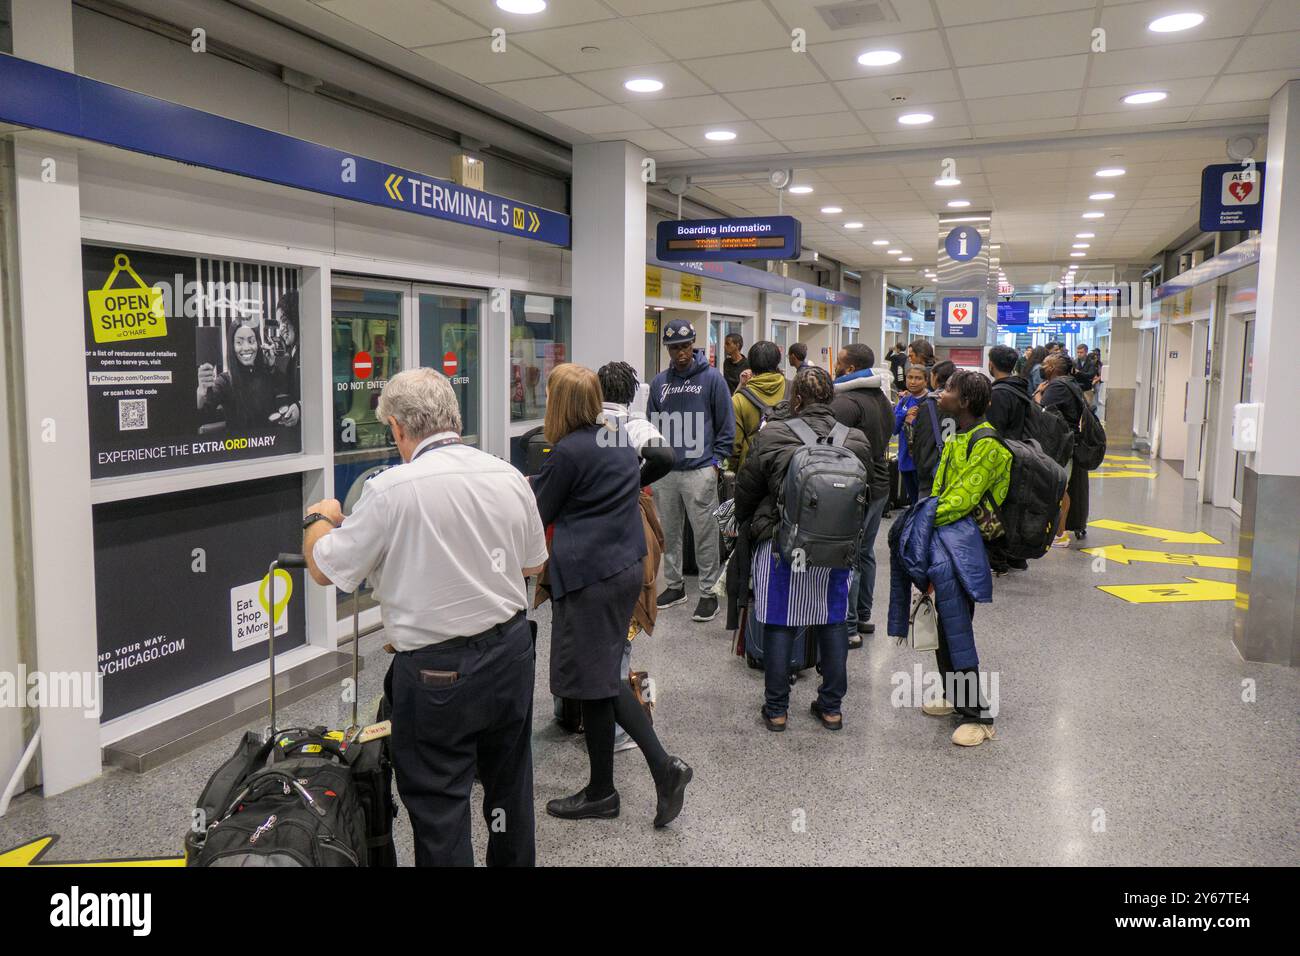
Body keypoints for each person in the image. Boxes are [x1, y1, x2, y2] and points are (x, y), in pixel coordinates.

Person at [304, 368, 546, 866]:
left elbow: (326, 569)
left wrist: (319, 518)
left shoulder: (390, 490)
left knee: (440, 808)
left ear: (397, 427)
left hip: (438, 678)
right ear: (453, 419)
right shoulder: (507, 475)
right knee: (510, 792)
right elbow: (532, 565)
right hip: (510, 656)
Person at [531, 363, 692, 827]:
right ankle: (603, 790)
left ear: (559, 402)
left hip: (590, 578)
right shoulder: (616, 439)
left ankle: (664, 767)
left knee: (600, 681)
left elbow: (539, 512)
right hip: (623, 569)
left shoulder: (566, 452)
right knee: (597, 683)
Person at [733, 365, 871, 733]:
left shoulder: (775, 432)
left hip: (785, 544)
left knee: (779, 620)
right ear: (831, 400)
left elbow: (746, 489)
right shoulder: (855, 439)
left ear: (796, 399)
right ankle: (831, 708)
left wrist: (747, 525)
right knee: (832, 622)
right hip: (835, 550)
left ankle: (777, 710)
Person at [888, 370, 1011, 748]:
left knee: (956, 627)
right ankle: (956, 695)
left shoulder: (989, 446)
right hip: (945, 541)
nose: (941, 394)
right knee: (944, 623)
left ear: (966, 402)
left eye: (949, 390)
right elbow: (940, 487)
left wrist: (919, 518)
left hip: (968, 546)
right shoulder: (958, 436)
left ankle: (979, 714)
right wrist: (927, 518)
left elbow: (962, 501)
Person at [594, 361, 672, 753]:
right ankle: (618, 732)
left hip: (583, 540)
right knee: (620, 635)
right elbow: (666, 457)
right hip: (624, 536)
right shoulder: (635, 424)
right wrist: (634, 483)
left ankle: (575, 713)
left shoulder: (585, 421)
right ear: (633, 392)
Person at [648, 318, 735, 623]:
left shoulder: (712, 379)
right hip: (668, 471)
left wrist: (717, 464)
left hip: (701, 469)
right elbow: (652, 425)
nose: (680, 353)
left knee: (705, 533)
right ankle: (674, 586)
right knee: (669, 532)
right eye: (674, 348)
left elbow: (726, 424)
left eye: (685, 346)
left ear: (693, 344)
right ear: (668, 349)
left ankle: (708, 592)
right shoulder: (660, 383)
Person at [830, 343, 892, 644]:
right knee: (865, 553)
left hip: (858, 486)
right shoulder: (882, 398)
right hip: (881, 482)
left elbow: (828, 444)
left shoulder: (846, 402)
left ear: (850, 368)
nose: (836, 367)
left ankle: (849, 627)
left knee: (849, 555)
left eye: (839, 362)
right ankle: (863, 615)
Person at [985, 345, 1031, 575]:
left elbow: (995, 430)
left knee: (996, 508)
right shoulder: (1020, 388)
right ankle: (1013, 556)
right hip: (1020, 453)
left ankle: (1000, 558)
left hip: (1004, 457)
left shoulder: (999, 393)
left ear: (991, 364)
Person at [1038, 353, 1091, 547]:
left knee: (1060, 487)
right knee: (1063, 486)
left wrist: (1037, 395)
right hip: (1069, 442)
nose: (1042, 366)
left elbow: (1042, 413)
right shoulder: (1069, 383)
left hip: (1059, 444)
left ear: (1052, 368)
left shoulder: (1057, 386)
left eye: (1045, 363)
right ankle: (1060, 531)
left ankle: (1060, 534)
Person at [197, 321, 287, 432]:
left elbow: (287, 392)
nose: (246, 347)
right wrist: (201, 394)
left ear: (258, 344)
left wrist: (272, 366)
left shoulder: (267, 373)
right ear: (232, 347)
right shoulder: (224, 381)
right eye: (239, 342)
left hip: (270, 443)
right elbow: (201, 417)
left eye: (251, 341)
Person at [730, 340, 787, 472]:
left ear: (751, 364)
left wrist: (731, 473)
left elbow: (734, 445)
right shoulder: (793, 390)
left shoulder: (739, 400)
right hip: (786, 468)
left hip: (751, 472)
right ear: (777, 361)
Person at [907, 359, 957, 497]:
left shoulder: (928, 404)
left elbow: (920, 441)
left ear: (934, 377)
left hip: (930, 468)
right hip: (954, 468)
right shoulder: (961, 403)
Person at [893, 364, 928, 504]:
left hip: (922, 461)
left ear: (926, 380)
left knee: (923, 503)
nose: (913, 382)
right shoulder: (904, 401)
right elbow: (894, 428)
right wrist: (904, 414)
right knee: (913, 503)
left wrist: (913, 422)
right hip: (905, 459)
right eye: (910, 377)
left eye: (918, 378)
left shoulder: (930, 401)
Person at [270, 289, 302, 428]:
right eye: (279, 324)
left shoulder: (310, 350)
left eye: (284, 321)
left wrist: (300, 407)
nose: (281, 328)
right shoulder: (293, 350)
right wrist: (272, 364)